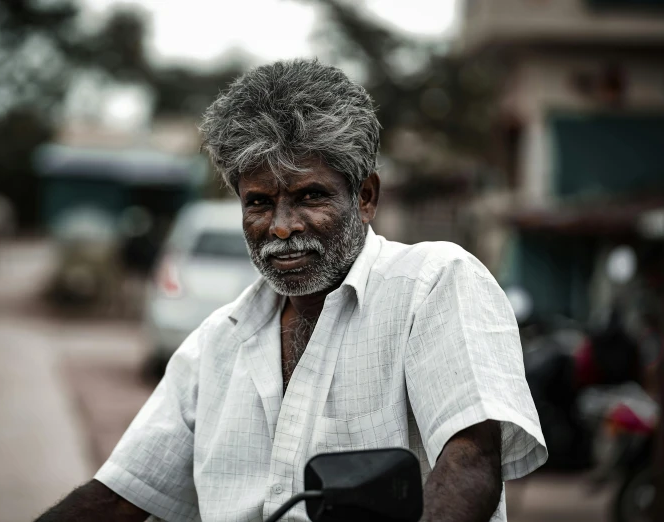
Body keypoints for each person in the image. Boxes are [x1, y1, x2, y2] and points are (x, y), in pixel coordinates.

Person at [36, 59, 546, 522]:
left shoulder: (433, 285)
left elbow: (471, 459)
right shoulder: (217, 344)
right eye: (259, 202)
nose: (280, 226)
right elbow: (119, 496)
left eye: (310, 196)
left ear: (365, 197)